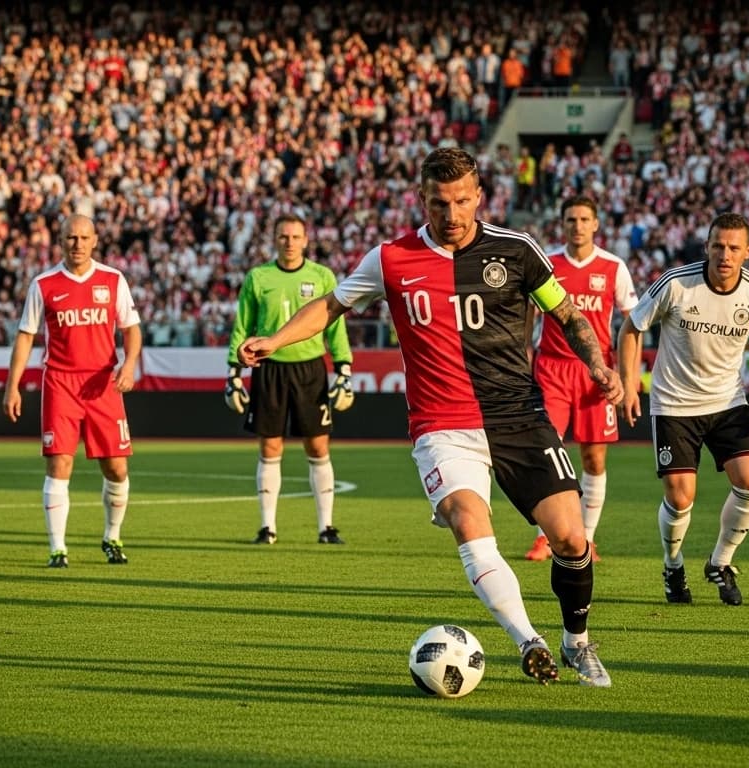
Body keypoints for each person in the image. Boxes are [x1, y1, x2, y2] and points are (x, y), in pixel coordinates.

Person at [240, 148, 623, 687]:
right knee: (469, 521)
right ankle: (527, 640)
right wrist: (276, 340)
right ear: (422, 199)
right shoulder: (390, 259)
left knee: (571, 540)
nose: (452, 214)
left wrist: (599, 366)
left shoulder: (517, 251)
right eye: (440, 203)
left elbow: (566, 312)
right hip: (442, 424)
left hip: (517, 414)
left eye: (462, 201)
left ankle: (576, 642)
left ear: (479, 197)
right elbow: (331, 307)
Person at [616, 212, 749, 605]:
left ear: (748, 252)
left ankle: (720, 561)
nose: (725, 254)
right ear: (707, 246)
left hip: (728, 401)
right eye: (718, 246)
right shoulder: (676, 284)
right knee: (680, 498)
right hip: (674, 403)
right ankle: (673, 565)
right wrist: (628, 386)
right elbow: (631, 329)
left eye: (733, 248)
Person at [3, 215, 141, 568]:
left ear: (95, 240)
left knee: (116, 469)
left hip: (102, 384)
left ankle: (112, 536)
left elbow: (132, 329)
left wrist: (128, 365)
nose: (77, 243)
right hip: (60, 383)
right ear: (60, 241)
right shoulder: (44, 284)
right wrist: (13, 385)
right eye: (70, 237)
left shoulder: (112, 280)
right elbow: (25, 336)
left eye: (83, 237)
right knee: (59, 462)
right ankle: (58, 548)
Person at [225, 213, 353, 545]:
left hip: (310, 369)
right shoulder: (258, 277)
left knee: (318, 445)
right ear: (274, 239)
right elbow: (243, 325)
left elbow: (335, 324)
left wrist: (344, 367)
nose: (290, 243)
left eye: (296, 237)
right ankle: (268, 528)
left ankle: (326, 527)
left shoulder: (322, 276)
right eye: (283, 237)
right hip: (269, 368)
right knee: (269, 447)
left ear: (306, 240)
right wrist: (233, 373)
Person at [524, 195, 637, 564]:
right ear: (563, 223)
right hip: (551, 369)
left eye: (584, 219)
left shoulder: (613, 266)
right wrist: (524, 349)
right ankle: (545, 537)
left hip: (595, 372)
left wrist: (625, 375)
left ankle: (587, 538)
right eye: (571, 219)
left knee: (593, 458)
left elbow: (630, 322)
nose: (577, 225)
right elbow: (529, 310)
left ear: (596, 224)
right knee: (547, 453)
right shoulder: (548, 263)